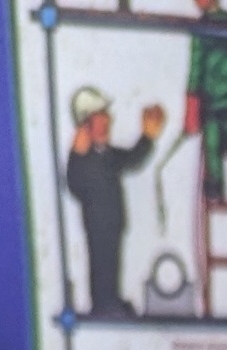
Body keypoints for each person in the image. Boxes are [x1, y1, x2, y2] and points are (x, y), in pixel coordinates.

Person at [66, 90, 168, 318]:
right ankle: (103, 304)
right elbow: (75, 184)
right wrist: (77, 154)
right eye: (100, 116)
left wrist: (148, 136)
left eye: (106, 115)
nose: (108, 120)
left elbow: (131, 159)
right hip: (99, 223)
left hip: (113, 221)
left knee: (111, 264)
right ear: (86, 124)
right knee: (102, 262)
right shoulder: (84, 160)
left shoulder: (106, 154)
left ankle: (110, 300)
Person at [183, 0, 227, 207]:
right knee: (216, 136)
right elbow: (196, 65)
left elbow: (196, 65)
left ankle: (216, 180)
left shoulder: (207, 27)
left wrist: (192, 98)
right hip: (221, 98)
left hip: (219, 97)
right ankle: (216, 181)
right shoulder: (225, 23)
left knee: (214, 139)